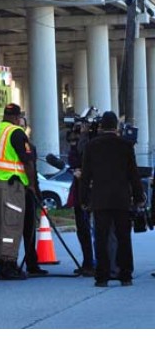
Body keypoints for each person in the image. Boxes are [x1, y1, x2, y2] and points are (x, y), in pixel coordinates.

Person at [80, 110, 145, 287]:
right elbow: (134, 174)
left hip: (100, 199)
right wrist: (139, 197)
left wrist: (84, 198)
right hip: (122, 199)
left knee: (101, 238)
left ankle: (102, 276)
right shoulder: (125, 145)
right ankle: (126, 275)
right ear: (116, 126)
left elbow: (86, 175)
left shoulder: (92, 146)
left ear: (101, 127)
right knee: (123, 237)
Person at [0, 103, 37, 280]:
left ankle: (2, 262)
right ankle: (8, 264)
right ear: (17, 117)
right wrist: (32, 186)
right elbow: (27, 161)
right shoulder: (16, 133)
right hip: (10, 185)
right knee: (11, 225)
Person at [18, 116, 48, 276]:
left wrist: (37, 193)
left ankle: (32, 263)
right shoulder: (12, 145)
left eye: (23, 126)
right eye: (18, 125)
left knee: (29, 229)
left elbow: (33, 171)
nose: (20, 128)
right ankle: (9, 261)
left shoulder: (31, 147)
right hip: (14, 191)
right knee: (13, 229)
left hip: (28, 192)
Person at [66, 125, 95, 277]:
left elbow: (82, 158)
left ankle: (95, 263)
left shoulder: (93, 145)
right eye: (71, 140)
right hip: (80, 193)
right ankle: (88, 262)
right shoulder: (75, 150)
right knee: (82, 230)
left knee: (95, 230)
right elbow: (73, 161)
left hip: (93, 193)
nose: (73, 143)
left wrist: (84, 136)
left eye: (75, 140)